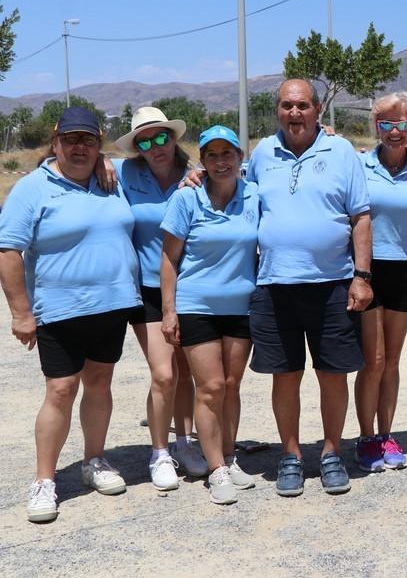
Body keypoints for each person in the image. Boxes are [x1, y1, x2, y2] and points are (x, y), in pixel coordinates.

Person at [0, 107, 141, 523]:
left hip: (111, 304)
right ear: (55, 141)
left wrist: (106, 162)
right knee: (61, 390)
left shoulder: (112, 181)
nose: (80, 147)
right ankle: (44, 479)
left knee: (99, 384)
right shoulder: (33, 188)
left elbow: (162, 171)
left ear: (99, 144)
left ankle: (94, 461)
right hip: (59, 310)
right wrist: (21, 312)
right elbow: (9, 251)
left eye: (89, 140)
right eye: (71, 139)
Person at [245, 79, 372, 497]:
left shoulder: (341, 152)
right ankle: (291, 455)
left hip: (333, 283)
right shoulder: (262, 153)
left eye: (302, 105)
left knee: (332, 374)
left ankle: (332, 452)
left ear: (317, 109)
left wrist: (362, 276)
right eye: (286, 105)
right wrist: (195, 176)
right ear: (277, 111)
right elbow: (236, 195)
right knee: (285, 375)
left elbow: (360, 217)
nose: (294, 113)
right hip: (275, 284)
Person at [160, 126, 259, 504]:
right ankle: (215, 468)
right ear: (202, 161)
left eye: (227, 153)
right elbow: (169, 258)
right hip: (196, 306)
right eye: (212, 155)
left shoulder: (254, 196)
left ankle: (230, 458)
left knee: (232, 385)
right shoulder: (186, 198)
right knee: (211, 387)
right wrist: (169, 310)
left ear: (240, 156)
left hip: (241, 306)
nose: (220, 162)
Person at [111, 106, 207, 489]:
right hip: (147, 290)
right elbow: (72, 162)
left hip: (191, 287)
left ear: (173, 138)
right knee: (164, 373)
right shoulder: (124, 173)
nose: (155, 147)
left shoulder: (194, 174)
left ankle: (184, 443)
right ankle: (160, 453)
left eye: (161, 137)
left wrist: (326, 133)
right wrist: (100, 162)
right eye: (145, 142)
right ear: (136, 148)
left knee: (185, 372)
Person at [353, 93, 407, 472]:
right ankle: (366, 437)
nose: (395, 131)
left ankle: (386, 435)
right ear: (376, 126)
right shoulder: (359, 165)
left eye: (403, 123)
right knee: (373, 360)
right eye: (386, 123)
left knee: (392, 361)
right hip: (368, 270)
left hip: (406, 269)